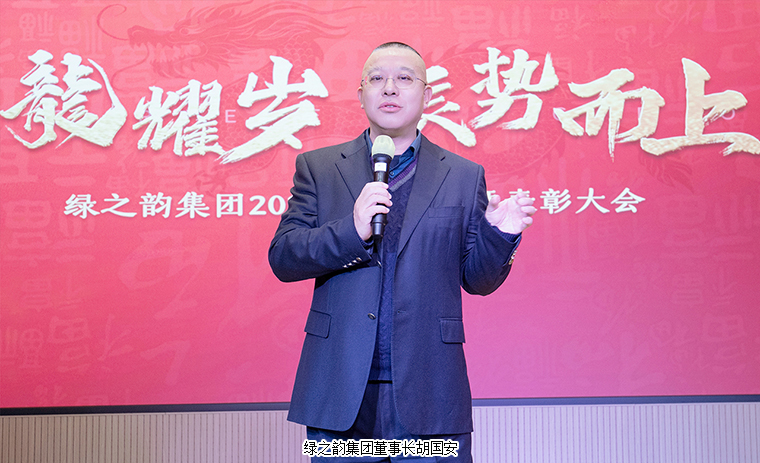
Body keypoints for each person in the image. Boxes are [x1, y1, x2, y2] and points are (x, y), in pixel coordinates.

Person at [268, 42, 537, 462]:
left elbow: (478, 280)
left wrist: (499, 235)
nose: (389, 88)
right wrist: (352, 230)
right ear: (361, 94)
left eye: (404, 78)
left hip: (431, 388)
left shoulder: (463, 176)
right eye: (377, 78)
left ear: (426, 95)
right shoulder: (319, 168)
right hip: (339, 386)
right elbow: (284, 256)